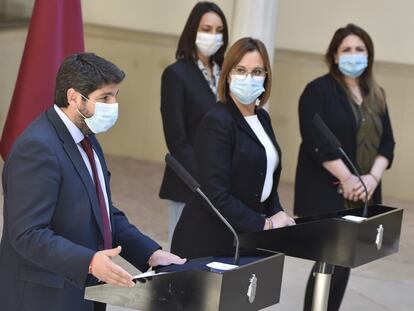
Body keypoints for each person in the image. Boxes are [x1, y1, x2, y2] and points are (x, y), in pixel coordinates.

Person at [0, 52, 185, 311]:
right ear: (74, 97)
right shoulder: (37, 148)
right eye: (104, 98)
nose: (113, 105)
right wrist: (88, 261)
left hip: (85, 293)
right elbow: (28, 234)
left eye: (115, 97)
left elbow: (102, 212)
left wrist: (149, 253)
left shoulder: (87, 137)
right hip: (44, 297)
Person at [294, 24, 395, 310]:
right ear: (335, 56)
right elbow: (315, 139)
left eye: (360, 49)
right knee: (327, 264)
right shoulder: (318, 90)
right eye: (347, 50)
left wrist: (371, 179)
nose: (354, 55)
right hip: (328, 192)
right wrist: (350, 179)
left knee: (345, 263)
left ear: (369, 55)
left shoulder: (377, 94)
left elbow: (387, 143)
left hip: (364, 193)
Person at [171, 37, 296, 259]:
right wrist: (265, 224)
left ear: (266, 77)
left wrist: (277, 212)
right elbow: (216, 194)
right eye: (241, 70)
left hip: (247, 237)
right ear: (228, 75)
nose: (249, 78)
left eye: (257, 72)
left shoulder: (262, 118)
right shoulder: (218, 121)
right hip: (210, 241)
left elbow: (264, 177)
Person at [159, 1, 229, 245]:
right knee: (183, 255)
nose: (213, 36)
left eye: (219, 30)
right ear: (193, 31)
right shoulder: (176, 74)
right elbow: (177, 139)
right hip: (190, 183)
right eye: (207, 29)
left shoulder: (227, 74)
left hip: (223, 184)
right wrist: (204, 181)